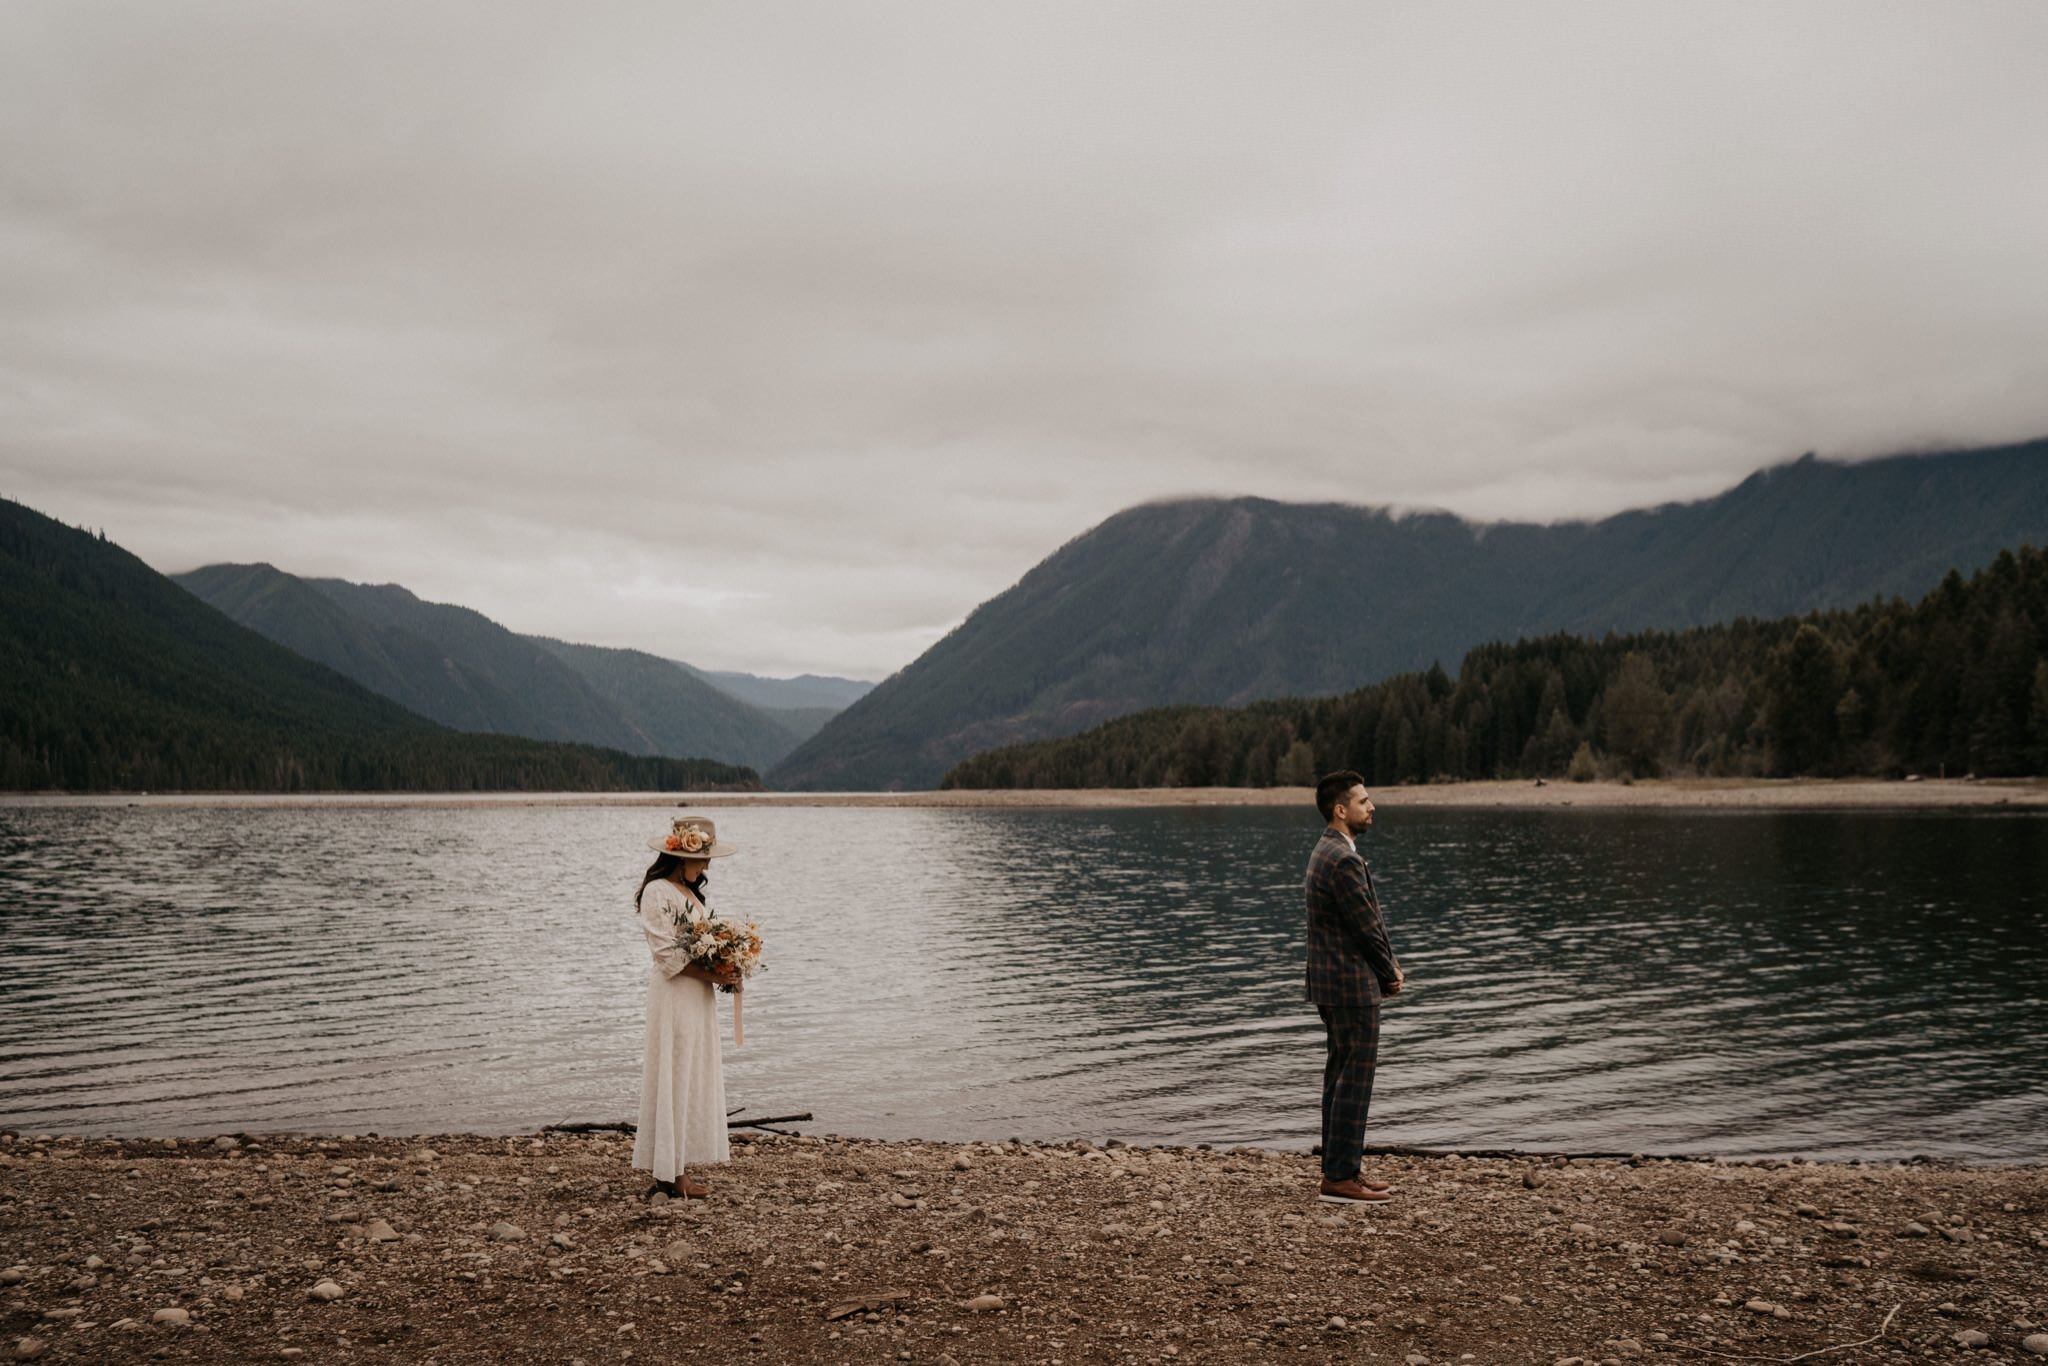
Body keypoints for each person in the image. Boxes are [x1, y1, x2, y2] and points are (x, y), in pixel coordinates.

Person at [1304, 770, 1405, 1204]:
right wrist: (1390, 972)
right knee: (1354, 1081)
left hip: (1332, 984)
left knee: (1339, 1077)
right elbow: (1366, 928)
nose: (1372, 806)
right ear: (1341, 810)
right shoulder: (1342, 860)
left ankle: (1342, 1168)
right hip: (1350, 985)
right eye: (1364, 801)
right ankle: (1340, 1178)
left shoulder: (1326, 851)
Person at [632, 815, 742, 1200]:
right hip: (676, 995)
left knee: (690, 1074)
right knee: (674, 1072)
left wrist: (730, 964)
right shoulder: (657, 892)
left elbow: (700, 947)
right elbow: (666, 956)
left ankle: (678, 1169)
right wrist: (715, 974)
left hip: (696, 997)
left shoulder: (691, 894)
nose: (708, 866)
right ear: (680, 857)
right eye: (703, 858)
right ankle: (669, 1174)